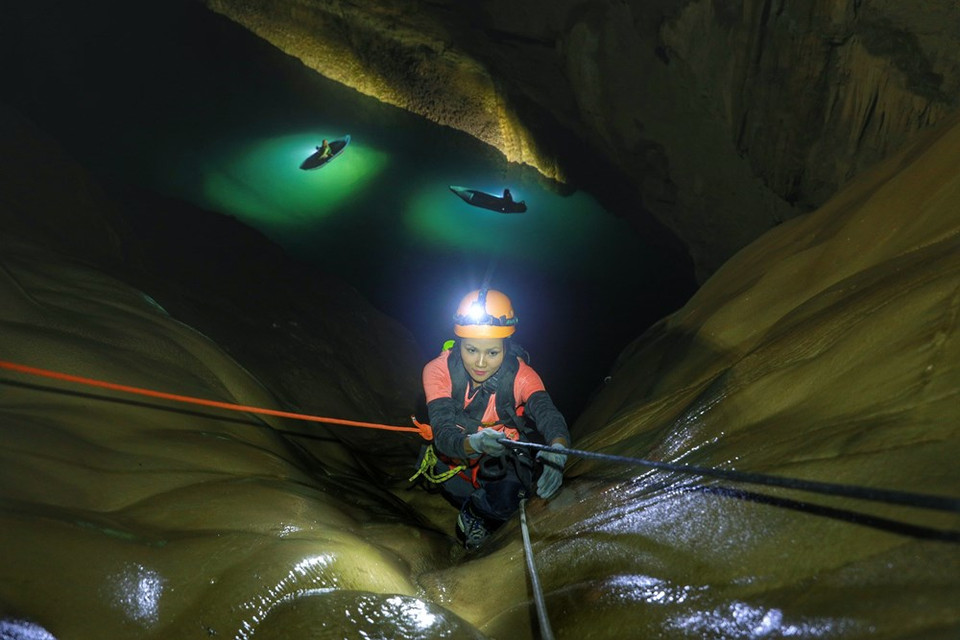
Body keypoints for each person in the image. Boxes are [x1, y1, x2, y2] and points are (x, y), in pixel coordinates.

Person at [417, 288, 570, 550]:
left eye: (492, 353)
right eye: (471, 349)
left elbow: (546, 412)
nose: (480, 363)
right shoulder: (438, 371)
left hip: (502, 458)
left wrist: (558, 450)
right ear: (458, 343)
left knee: (511, 497)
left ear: (506, 348)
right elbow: (443, 432)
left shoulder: (522, 375)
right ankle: (473, 510)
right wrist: (474, 443)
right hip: (455, 461)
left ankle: (476, 514)